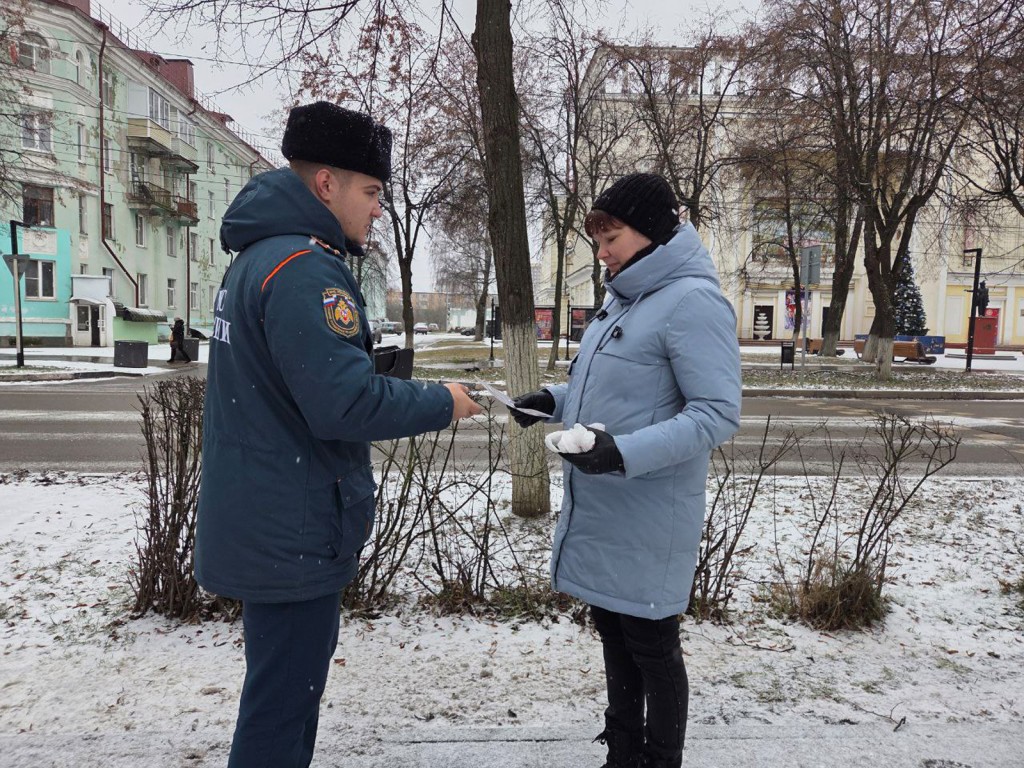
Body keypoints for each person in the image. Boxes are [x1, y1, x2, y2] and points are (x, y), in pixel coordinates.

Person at [195, 101, 482, 768]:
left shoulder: (261, 256)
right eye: (372, 191)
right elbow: (343, 405)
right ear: (326, 185)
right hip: (291, 530)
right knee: (279, 714)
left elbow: (300, 385)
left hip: (271, 518)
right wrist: (444, 401)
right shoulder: (304, 269)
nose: (378, 209)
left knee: (280, 699)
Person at [511, 173, 742, 768]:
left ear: (651, 232)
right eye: (599, 239)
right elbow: (609, 389)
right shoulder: (625, 301)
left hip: (650, 512)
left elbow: (716, 414)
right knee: (614, 634)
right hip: (607, 506)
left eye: (611, 236)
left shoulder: (692, 301)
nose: (602, 251)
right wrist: (553, 401)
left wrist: (624, 453)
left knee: (653, 648)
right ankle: (623, 755)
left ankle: (659, 760)